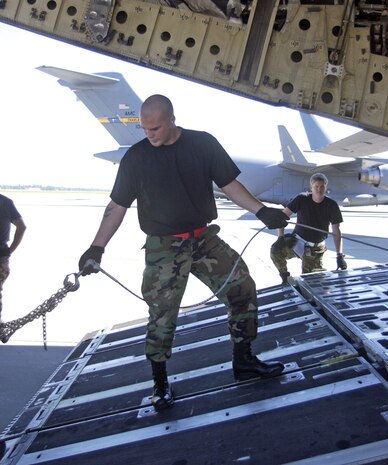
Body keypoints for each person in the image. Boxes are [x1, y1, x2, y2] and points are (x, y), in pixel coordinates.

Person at [78, 95, 289, 411]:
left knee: (242, 287)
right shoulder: (136, 158)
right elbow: (117, 206)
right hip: (163, 246)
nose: (149, 135)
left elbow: (230, 184)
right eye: (145, 128)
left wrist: (262, 212)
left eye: (156, 128)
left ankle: (244, 361)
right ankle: (160, 383)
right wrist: (97, 247)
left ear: (172, 119)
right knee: (162, 315)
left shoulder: (202, 144)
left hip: (203, 238)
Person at [270, 173, 347, 285]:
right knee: (276, 250)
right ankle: (285, 278)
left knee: (312, 283)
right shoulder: (302, 199)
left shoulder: (332, 205)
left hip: (315, 249)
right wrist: (280, 238)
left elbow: (336, 231)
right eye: (316, 186)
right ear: (311, 187)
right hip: (297, 243)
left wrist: (339, 255)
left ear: (326, 187)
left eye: (322, 186)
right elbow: (282, 217)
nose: (319, 189)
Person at [0, 194, 27, 323]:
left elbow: (22, 227)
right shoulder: (5, 202)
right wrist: (9, 251)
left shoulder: (5, 202)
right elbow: (21, 227)